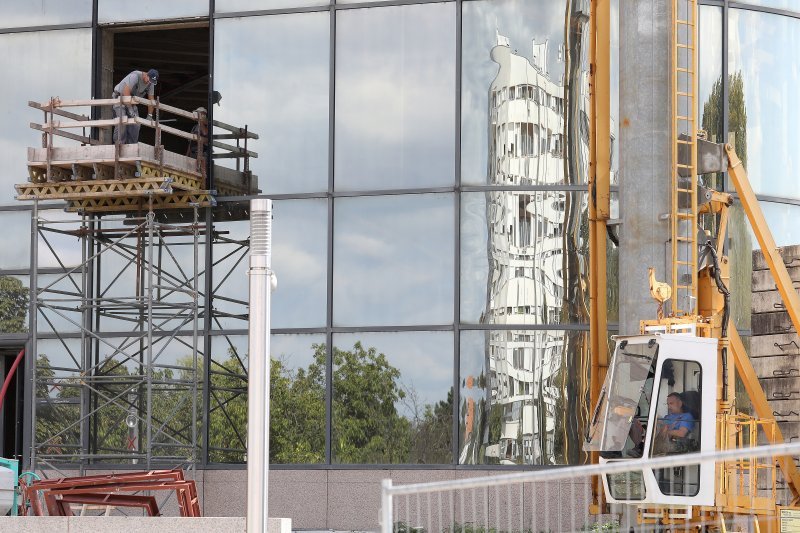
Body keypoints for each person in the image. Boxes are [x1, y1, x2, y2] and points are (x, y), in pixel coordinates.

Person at [111, 69, 159, 144]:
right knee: (122, 122)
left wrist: (150, 115)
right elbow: (125, 92)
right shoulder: (135, 76)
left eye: (151, 82)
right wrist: (130, 109)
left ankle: (132, 147)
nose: (149, 82)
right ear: (147, 74)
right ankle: (118, 146)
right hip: (120, 99)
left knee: (136, 124)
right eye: (149, 80)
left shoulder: (151, 83)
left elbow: (151, 100)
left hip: (132, 102)